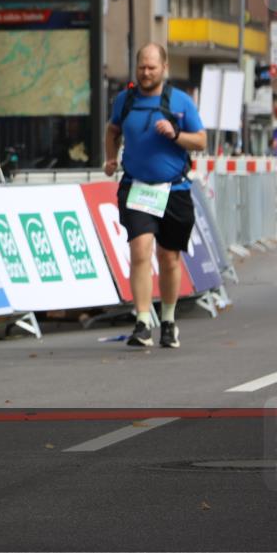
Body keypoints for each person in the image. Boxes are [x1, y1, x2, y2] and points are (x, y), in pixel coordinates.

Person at [103, 43, 207, 349]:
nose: (146, 73)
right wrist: (111, 159)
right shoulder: (125, 100)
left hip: (174, 189)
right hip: (137, 187)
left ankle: (169, 320)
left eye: (152, 67)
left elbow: (201, 140)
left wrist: (176, 134)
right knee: (140, 251)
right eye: (142, 67)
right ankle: (142, 322)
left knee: (169, 258)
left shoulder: (181, 102)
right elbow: (112, 131)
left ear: (164, 69)